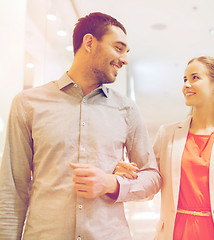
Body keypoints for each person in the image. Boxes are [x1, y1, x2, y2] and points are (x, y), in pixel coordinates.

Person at [0, 12, 161, 240]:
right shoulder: (27, 104)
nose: (124, 59)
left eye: (126, 52)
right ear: (89, 43)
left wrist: (111, 183)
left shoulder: (127, 109)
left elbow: (152, 177)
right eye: (118, 48)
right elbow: (12, 190)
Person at [116, 56, 214, 239]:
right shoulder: (168, 134)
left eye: (195, 78)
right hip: (177, 231)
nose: (187, 85)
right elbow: (149, 181)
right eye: (185, 79)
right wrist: (125, 173)